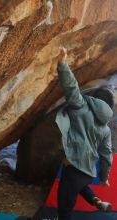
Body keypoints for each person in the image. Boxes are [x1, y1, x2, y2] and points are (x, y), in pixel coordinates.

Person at [55, 47, 114, 220]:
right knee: (79, 185)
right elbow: (106, 156)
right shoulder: (106, 129)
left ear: (95, 99)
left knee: (64, 208)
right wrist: (104, 178)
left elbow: (71, 87)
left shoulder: (81, 107)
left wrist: (62, 64)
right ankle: (97, 201)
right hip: (89, 172)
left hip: (73, 168)